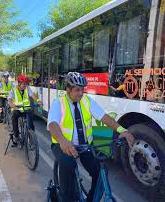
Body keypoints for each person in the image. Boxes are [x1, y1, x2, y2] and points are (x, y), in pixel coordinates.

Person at [48, 72, 134, 202]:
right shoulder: (58, 103)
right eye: (77, 90)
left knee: (99, 173)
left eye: (82, 89)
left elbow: (104, 117)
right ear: (68, 89)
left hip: (84, 145)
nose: (81, 93)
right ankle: (67, 199)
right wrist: (63, 141)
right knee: (68, 165)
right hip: (63, 145)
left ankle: (91, 199)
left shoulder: (87, 101)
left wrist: (122, 130)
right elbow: (52, 124)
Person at [8, 74, 42, 144]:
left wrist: (38, 100)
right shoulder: (13, 89)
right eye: (23, 84)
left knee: (31, 124)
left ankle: (31, 137)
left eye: (26, 84)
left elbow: (33, 96)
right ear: (19, 83)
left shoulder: (27, 89)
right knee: (14, 118)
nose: (25, 85)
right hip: (17, 109)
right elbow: (9, 99)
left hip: (26, 109)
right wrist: (11, 104)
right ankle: (16, 135)